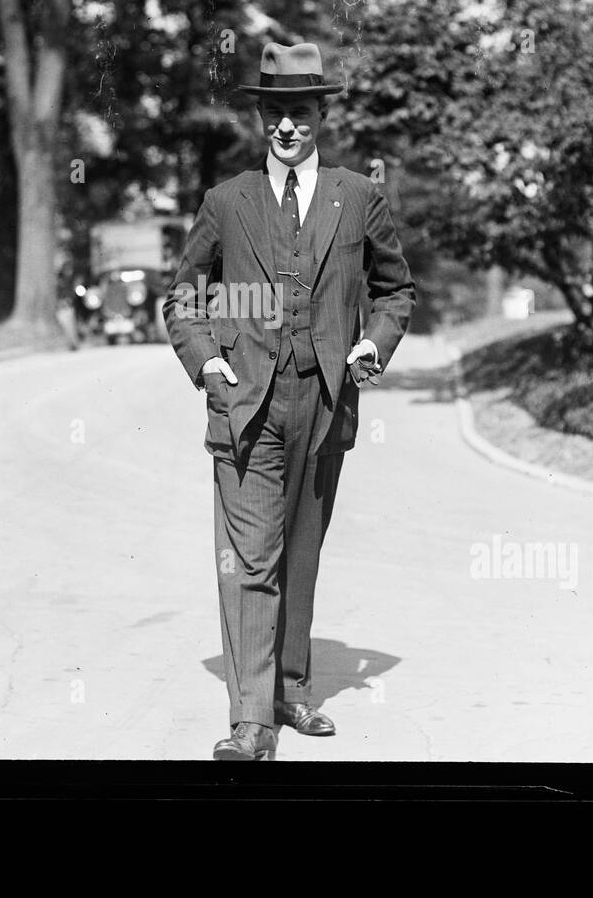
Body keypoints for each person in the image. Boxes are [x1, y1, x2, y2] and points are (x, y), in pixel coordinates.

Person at [162, 42, 416, 760]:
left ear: (321, 115)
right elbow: (184, 293)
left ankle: (290, 688)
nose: (286, 127)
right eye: (275, 113)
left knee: (301, 550)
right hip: (247, 404)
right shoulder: (226, 201)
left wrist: (372, 344)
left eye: (299, 112)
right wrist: (207, 358)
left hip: (326, 401)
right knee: (252, 557)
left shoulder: (357, 195)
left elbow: (397, 288)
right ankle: (251, 719)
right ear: (261, 118)